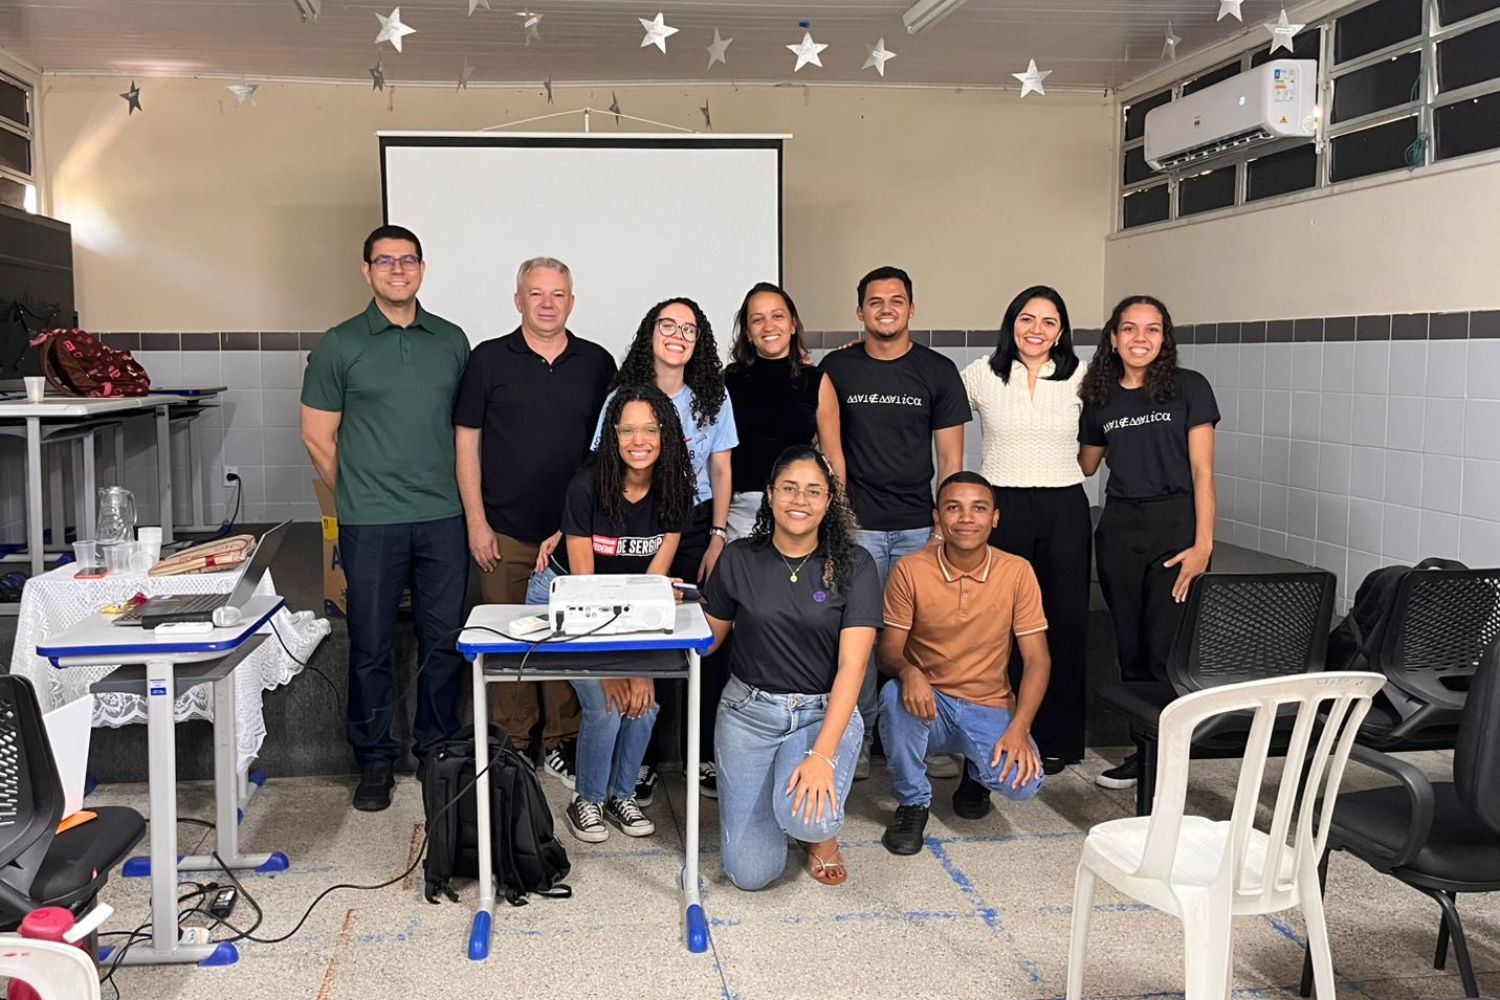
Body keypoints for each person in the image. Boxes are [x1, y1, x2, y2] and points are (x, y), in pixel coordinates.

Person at [300, 224, 470, 811]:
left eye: (408, 260)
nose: (398, 270)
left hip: (443, 515)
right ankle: (373, 761)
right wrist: (357, 495)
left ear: (422, 269)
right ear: (367, 270)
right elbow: (318, 436)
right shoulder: (340, 344)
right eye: (385, 261)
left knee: (443, 640)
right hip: (370, 521)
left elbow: (463, 431)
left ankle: (436, 751)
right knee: (370, 643)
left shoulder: (451, 341)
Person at [453, 256, 615, 790]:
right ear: (519, 300)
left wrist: (581, 525)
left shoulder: (597, 363)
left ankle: (562, 741)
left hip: (574, 537)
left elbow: (609, 451)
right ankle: (513, 742)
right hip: (504, 527)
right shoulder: (487, 360)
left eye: (558, 294)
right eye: (536, 294)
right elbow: (467, 445)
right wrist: (477, 523)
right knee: (510, 641)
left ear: (572, 301)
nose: (548, 304)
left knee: (570, 641)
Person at [702, 445, 881, 889]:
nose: (800, 500)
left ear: (828, 503)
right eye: (789, 489)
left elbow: (853, 669)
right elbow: (708, 641)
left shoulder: (855, 565)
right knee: (750, 874)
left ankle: (817, 837)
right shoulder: (739, 557)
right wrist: (663, 611)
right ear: (769, 495)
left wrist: (821, 755)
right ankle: (779, 805)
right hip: (749, 714)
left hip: (821, 711)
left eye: (813, 492)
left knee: (809, 820)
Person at [819, 266, 971, 777]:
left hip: (916, 528)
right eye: (876, 301)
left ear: (912, 309)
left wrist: (942, 530)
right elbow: (830, 453)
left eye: (897, 300)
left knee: (924, 636)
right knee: (857, 636)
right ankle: (855, 744)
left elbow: (951, 462)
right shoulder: (837, 371)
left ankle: (928, 740)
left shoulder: (938, 370)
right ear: (860, 311)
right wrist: (838, 524)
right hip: (858, 527)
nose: (886, 309)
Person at [587, 297, 738, 802]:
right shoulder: (623, 398)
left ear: (700, 341)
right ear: (650, 333)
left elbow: (720, 471)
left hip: (693, 526)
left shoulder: (712, 397)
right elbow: (599, 471)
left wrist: (718, 534)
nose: (677, 335)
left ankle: (701, 757)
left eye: (689, 329)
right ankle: (645, 762)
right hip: (634, 529)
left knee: (698, 637)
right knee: (642, 632)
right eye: (667, 325)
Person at [1079, 295, 1218, 790]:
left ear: (1165, 339)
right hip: (1119, 526)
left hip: (1173, 524)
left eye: (1153, 329)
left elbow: (1203, 471)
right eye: (1130, 329)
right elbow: (1086, 464)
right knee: (1130, 646)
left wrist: (1203, 544)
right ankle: (1144, 755)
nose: (1141, 338)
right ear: (1113, 338)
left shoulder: (1188, 388)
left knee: (1165, 647)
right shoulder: (1099, 397)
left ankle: (1170, 759)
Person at [876, 472, 1050, 853]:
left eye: (979, 508)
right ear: (938, 517)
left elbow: (1038, 661)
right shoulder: (910, 569)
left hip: (988, 703)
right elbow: (888, 649)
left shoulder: (1017, 571)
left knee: (1024, 785)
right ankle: (913, 802)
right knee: (892, 696)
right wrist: (909, 671)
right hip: (930, 703)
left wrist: (1020, 727)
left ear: (995, 518)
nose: (966, 518)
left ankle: (977, 775)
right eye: (954, 508)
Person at [553, 385, 696, 842]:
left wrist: (641, 665)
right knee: (608, 702)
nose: (639, 440)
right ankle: (587, 800)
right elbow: (582, 588)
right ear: (612, 436)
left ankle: (620, 793)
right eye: (628, 430)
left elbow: (653, 583)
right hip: (569, 598)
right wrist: (612, 667)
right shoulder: (586, 486)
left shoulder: (676, 490)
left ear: (666, 434)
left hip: (631, 603)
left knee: (646, 702)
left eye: (650, 429)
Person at [960, 286, 1089, 776]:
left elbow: (1095, 443)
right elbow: (934, 398)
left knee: (1064, 620)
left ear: (1061, 331)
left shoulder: (1083, 374)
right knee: (999, 622)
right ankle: (995, 727)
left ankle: (1056, 738)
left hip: (1064, 505)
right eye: (1027, 319)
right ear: (1011, 323)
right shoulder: (982, 374)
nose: (1037, 330)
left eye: (1049, 322)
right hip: (1002, 506)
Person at [723, 281, 844, 539]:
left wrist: (835, 520)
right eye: (757, 320)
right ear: (747, 331)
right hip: (743, 511)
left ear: (792, 324)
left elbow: (834, 458)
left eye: (777, 316)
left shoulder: (817, 381)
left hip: (801, 508)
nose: (769, 326)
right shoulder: (729, 380)